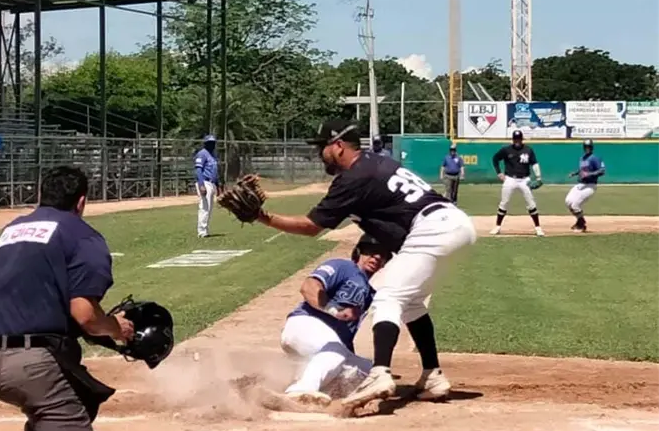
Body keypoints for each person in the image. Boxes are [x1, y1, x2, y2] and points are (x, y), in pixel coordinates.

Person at [249, 119, 476, 411]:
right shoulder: (374, 163)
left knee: (387, 297)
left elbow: (310, 227)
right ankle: (432, 375)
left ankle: (380, 373)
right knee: (412, 303)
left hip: (434, 227)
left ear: (339, 145)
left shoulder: (354, 176)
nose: (321, 154)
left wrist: (261, 217)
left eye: (323, 148)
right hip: (456, 225)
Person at [0, 165, 134, 431]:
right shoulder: (84, 236)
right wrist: (118, 328)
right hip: (33, 368)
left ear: (41, 195)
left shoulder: (12, 228)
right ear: (82, 201)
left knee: (75, 391)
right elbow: (85, 316)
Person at [279, 234, 391, 408]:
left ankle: (304, 378)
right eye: (372, 251)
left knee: (370, 372)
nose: (377, 257)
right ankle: (300, 390)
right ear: (359, 252)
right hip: (305, 324)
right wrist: (334, 310)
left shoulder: (369, 295)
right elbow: (309, 287)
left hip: (326, 343)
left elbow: (346, 339)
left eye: (382, 254)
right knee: (335, 353)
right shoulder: (343, 266)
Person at [490, 129, 544, 236]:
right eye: (515, 139)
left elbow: (534, 163)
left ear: (522, 139)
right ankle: (497, 227)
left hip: (525, 179)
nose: (517, 141)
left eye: (519, 139)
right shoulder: (506, 150)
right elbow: (495, 159)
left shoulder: (528, 150)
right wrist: (499, 173)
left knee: (531, 203)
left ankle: (538, 228)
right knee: (504, 202)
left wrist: (538, 178)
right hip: (510, 179)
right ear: (513, 139)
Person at [565, 139, 605, 233]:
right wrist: (574, 173)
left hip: (590, 185)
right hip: (581, 184)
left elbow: (602, 171)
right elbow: (581, 170)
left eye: (589, 147)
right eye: (586, 147)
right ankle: (580, 221)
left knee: (575, 205)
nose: (587, 149)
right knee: (568, 201)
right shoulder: (582, 158)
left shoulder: (595, 158)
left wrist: (589, 174)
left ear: (592, 148)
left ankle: (581, 224)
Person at [194, 134, 221, 238]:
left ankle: (205, 229)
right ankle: (201, 231)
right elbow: (198, 170)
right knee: (204, 207)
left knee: (209, 208)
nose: (212, 144)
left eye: (213, 143)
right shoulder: (202, 154)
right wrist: (201, 185)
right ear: (205, 144)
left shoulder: (213, 155)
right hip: (204, 182)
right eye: (210, 143)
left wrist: (218, 186)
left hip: (212, 183)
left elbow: (215, 171)